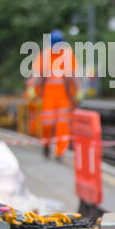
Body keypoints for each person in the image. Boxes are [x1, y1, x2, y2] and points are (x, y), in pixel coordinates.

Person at [33, 30, 78, 158]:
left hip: (63, 95)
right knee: (47, 124)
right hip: (48, 95)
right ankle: (46, 144)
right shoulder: (45, 55)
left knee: (62, 125)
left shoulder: (67, 55)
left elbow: (73, 76)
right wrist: (33, 89)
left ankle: (60, 152)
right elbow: (38, 75)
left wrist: (77, 91)